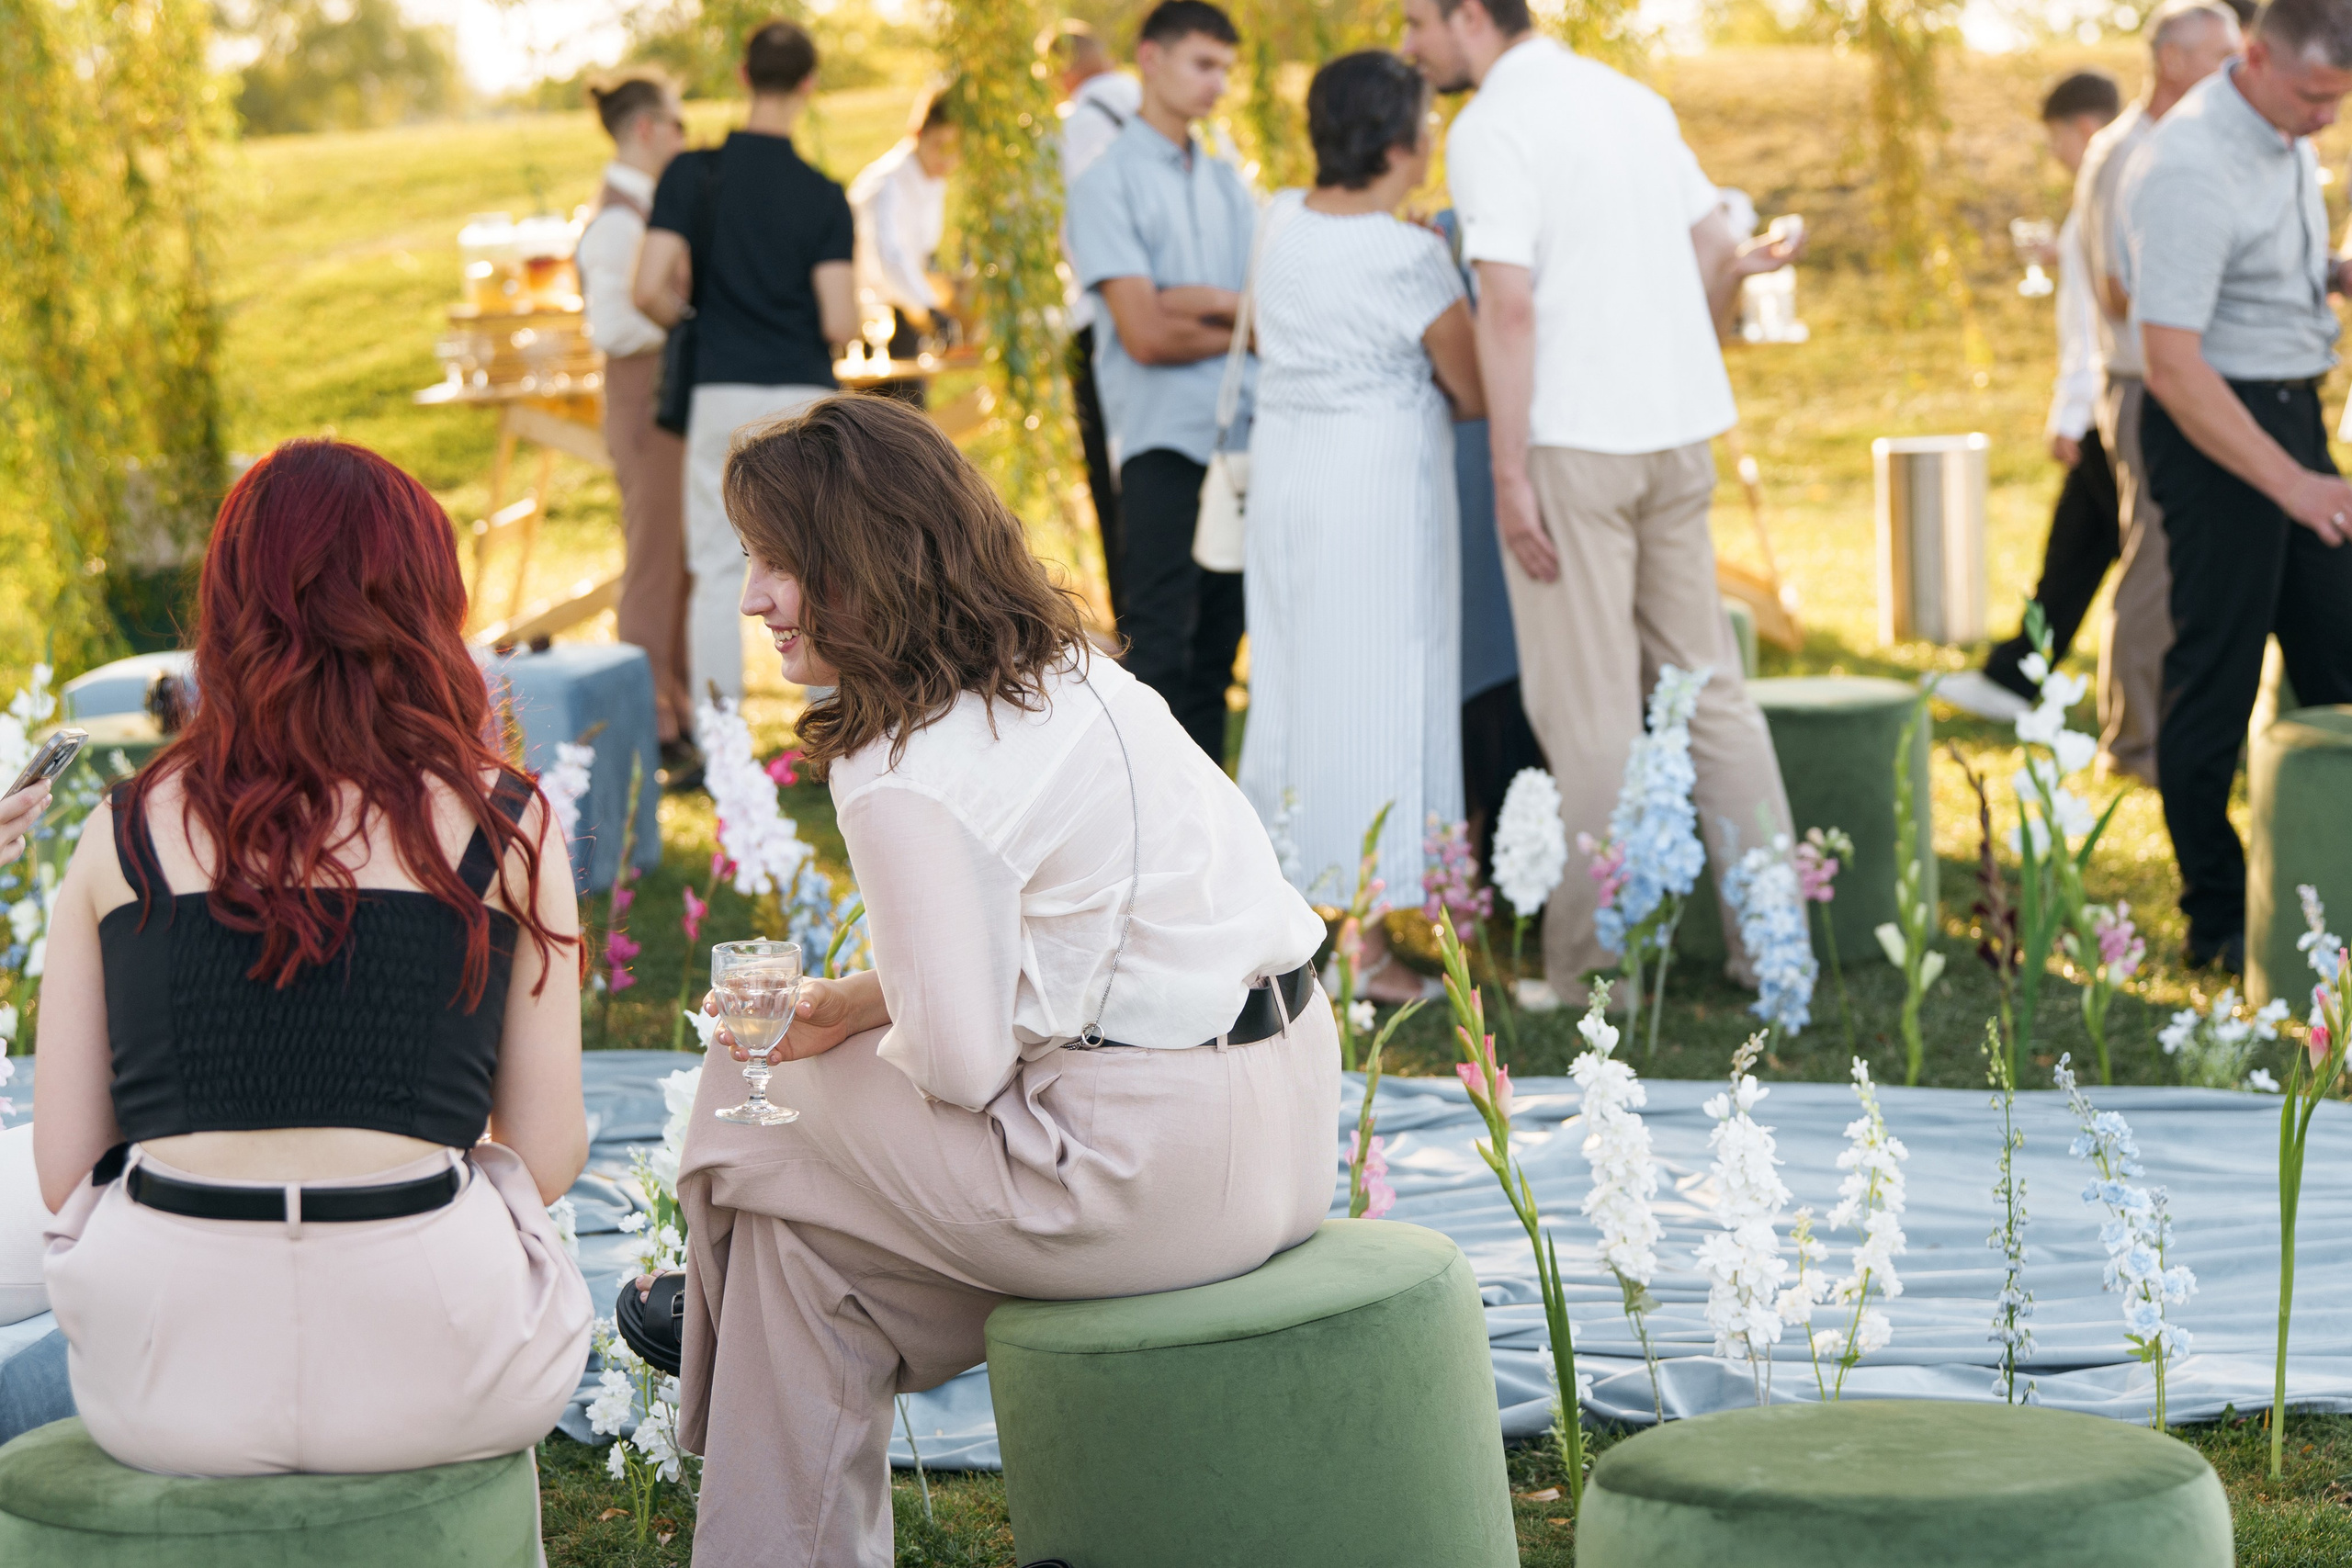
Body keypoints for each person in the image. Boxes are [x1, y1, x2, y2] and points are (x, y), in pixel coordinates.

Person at [650, 396, 1332, 1566]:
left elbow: (963, 1067)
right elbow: (1081, 950)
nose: (754, 597)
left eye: (777, 563)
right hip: (1289, 1124)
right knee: (809, 1264)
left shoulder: (901, 764)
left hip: (1133, 1178)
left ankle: (690, 1310)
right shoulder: (1073, 675)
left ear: (860, 562)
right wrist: (867, 1002)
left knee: (741, 1079)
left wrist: (872, 1030)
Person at [30, 439, 592, 1475]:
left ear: (228, 608)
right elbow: (547, 1156)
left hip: (168, 1379)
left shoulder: (125, 830)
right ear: (428, 603)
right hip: (437, 1362)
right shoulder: (501, 824)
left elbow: (66, 1169)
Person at [1401, 0, 1803, 1004]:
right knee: (1713, 698)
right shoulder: (1631, 98)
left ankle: (1596, 975)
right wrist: (1680, 368)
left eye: (1417, 21)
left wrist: (1506, 472)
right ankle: (1776, 954)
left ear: (1467, 17)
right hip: (1675, 436)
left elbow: (1509, 301)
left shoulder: (1489, 125)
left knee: (1586, 714)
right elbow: (1717, 251)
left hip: (1573, 446)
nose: (1410, 46)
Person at [1238, 51, 1482, 999]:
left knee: (1296, 684)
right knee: (1381, 685)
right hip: (1378, 483)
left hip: (1292, 470)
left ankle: (1292, 912)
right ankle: (1366, 937)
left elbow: (1263, 331)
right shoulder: (1410, 256)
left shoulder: (1279, 221)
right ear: (1398, 143)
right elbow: (1468, 387)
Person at [2124, 0, 2352, 971]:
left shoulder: (2282, 128)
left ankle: (2324, 882)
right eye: (2313, 95)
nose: (2326, 118)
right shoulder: (2185, 165)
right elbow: (2171, 366)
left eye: (2340, 99)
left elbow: (2251, 276)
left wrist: (2331, 275)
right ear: (2252, 58)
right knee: (2216, 671)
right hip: (2214, 428)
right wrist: (2294, 487)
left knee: (2337, 656)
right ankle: (2215, 916)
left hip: (2290, 413)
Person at [636, 19, 856, 707]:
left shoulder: (691, 174)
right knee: (820, 559)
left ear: (742, 75)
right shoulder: (824, 195)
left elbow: (646, 289)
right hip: (804, 391)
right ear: (810, 85)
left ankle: (720, 738)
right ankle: (830, 730)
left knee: (714, 562)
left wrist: (695, 319)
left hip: (721, 385)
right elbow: (841, 321)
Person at [1066, 0, 1258, 761]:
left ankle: (1215, 850)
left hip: (1243, 442)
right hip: (1162, 446)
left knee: (1217, 655)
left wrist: (1199, 300)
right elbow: (1143, 333)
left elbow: (1265, 315)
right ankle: (1147, 844)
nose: (1217, 84)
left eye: (1225, 70)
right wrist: (1232, 311)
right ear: (1150, 58)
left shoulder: (1227, 181)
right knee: (1160, 660)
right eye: (1203, 64)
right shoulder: (1104, 185)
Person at [2084, 4, 2242, 782]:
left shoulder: (2186, 143)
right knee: (2155, 562)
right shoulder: (2132, 152)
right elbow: (2115, 289)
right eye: (2220, 56)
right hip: (2149, 383)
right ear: (2173, 60)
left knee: (2182, 559)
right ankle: (2134, 741)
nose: (2234, 71)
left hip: (2177, 379)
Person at [1939, 72, 2123, 726]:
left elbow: (2092, 330)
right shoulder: (2114, 188)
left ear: (2081, 127)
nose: (2056, 157)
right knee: (2075, 548)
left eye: (2055, 142)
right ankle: (2015, 674)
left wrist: (2068, 415)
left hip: (2103, 407)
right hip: (2107, 405)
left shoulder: (2104, 187)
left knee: (2154, 564)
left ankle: (2019, 674)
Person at [579, 71, 695, 773]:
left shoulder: (645, 208)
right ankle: (653, 722)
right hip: (643, 403)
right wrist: (695, 324)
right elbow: (616, 323)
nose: (686, 137)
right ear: (647, 128)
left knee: (678, 563)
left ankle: (676, 708)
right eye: (678, 124)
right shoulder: (620, 221)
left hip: (664, 404)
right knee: (654, 565)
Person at [1049, 20, 1145, 622]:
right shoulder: (1159, 110)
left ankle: (1132, 613)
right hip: (1180, 318)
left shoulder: (1075, 127)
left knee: (1112, 482)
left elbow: (1066, 234)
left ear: (1063, 72)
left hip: (1099, 318)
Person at [848, 86, 962, 407]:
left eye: (955, 149)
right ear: (918, 134)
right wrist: (930, 308)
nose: (947, 159)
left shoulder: (931, 183)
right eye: (939, 146)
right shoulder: (887, 185)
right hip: (871, 324)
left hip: (904, 314)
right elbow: (889, 258)